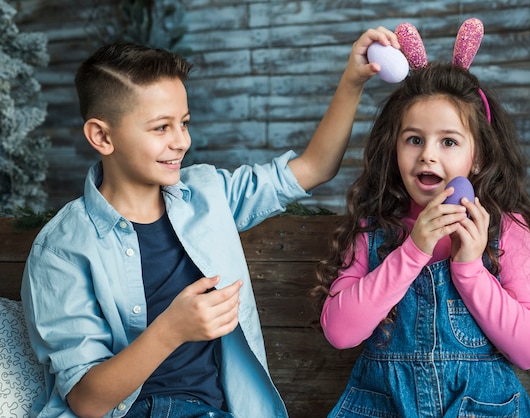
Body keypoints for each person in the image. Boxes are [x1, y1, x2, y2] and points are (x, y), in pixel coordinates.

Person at [20, 27, 401, 418]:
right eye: (160, 128)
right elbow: (86, 401)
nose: (181, 141)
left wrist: (353, 80)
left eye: (183, 123)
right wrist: (171, 330)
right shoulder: (62, 249)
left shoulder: (208, 194)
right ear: (102, 136)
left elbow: (313, 168)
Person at [312, 21, 530, 418]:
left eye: (448, 141)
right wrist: (412, 251)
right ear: (394, 150)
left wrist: (470, 268)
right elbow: (340, 332)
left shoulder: (506, 229)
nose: (428, 155)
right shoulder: (374, 230)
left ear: (477, 157)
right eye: (414, 139)